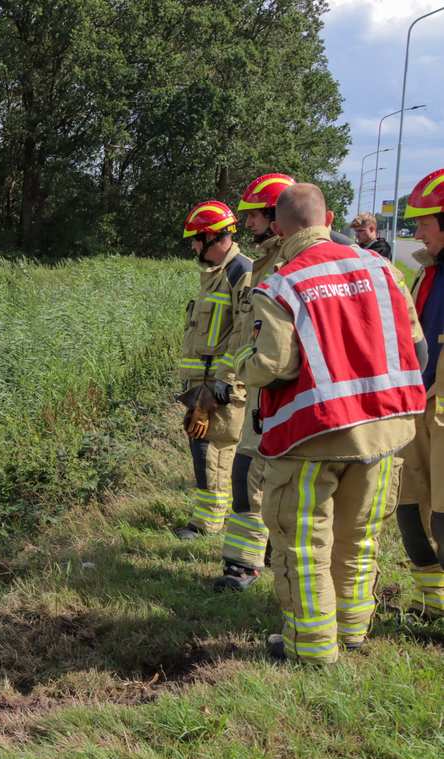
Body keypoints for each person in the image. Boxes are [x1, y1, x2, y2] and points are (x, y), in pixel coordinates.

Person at [241, 183, 426, 663]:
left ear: (279, 228)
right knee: (359, 536)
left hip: (312, 435)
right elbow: (417, 347)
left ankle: (312, 646)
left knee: (304, 543)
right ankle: (353, 631)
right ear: (328, 218)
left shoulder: (282, 283)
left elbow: (272, 365)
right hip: (385, 432)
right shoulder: (385, 269)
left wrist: (240, 363)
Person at [212, 173, 295, 591]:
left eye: (255, 217)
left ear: (276, 215)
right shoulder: (264, 263)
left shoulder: (289, 265)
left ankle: (247, 566)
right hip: (259, 391)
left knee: (258, 480)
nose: (249, 226)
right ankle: (248, 561)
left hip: (283, 395)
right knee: (249, 475)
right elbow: (246, 329)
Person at [173, 201, 252, 540]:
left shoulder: (240, 272)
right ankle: (208, 516)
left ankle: (208, 523)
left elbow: (244, 331)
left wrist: (225, 380)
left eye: (196, 239)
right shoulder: (215, 275)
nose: (193, 247)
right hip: (201, 382)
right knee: (201, 446)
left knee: (215, 450)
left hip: (219, 384)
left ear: (213, 237)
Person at [395, 168, 444, 619]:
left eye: (425, 221)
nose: (417, 232)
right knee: (410, 515)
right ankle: (433, 604)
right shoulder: (428, 272)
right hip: (420, 408)